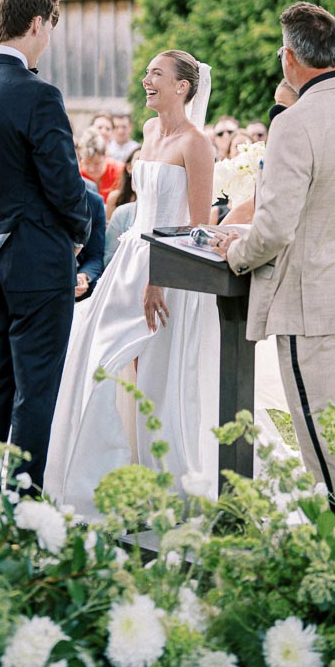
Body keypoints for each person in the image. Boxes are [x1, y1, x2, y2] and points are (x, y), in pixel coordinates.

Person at [214, 3, 335, 514]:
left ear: (289, 60)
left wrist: (236, 251)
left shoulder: (295, 123)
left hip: (313, 296)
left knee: (324, 437)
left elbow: (273, 229)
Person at [45, 51, 216, 518]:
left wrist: (160, 277)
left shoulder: (196, 144)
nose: (146, 80)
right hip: (129, 263)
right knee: (96, 356)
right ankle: (98, 471)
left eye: (156, 74)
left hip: (169, 270)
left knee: (155, 372)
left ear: (182, 86)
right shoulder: (151, 133)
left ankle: (159, 471)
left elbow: (197, 227)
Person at [0, 0, 91, 521]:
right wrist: (80, 227)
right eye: (51, 25)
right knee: (37, 388)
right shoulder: (39, 94)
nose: (50, 37)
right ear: (37, 24)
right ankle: (23, 509)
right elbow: (63, 183)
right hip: (36, 256)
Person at [77, 126, 124, 203]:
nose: (91, 169)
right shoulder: (77, 175)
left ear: (105, 156)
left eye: (97, 164)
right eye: (87, 163)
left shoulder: (120, 172)